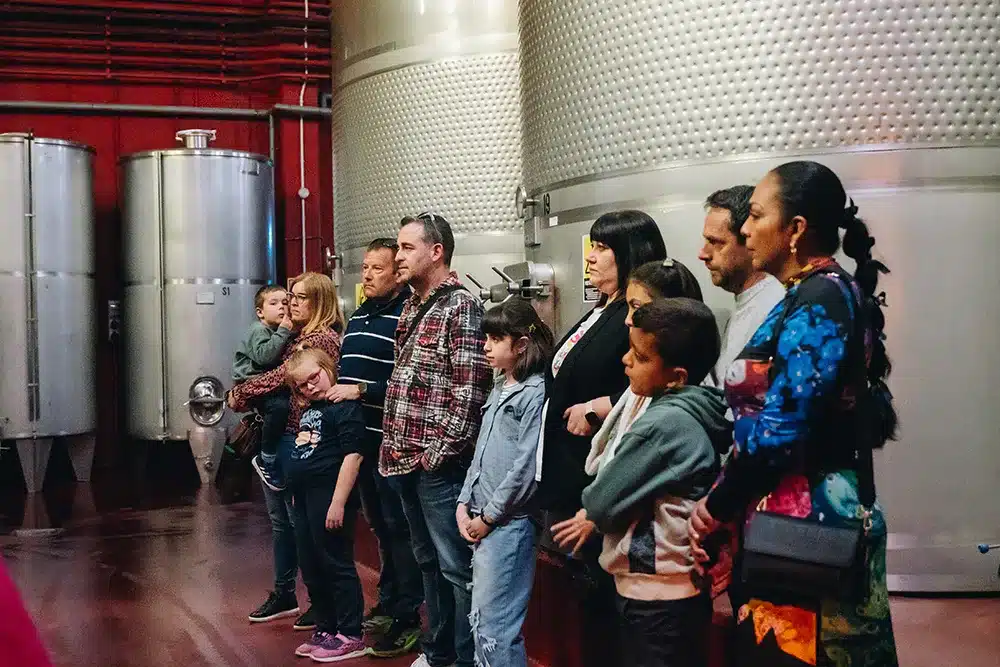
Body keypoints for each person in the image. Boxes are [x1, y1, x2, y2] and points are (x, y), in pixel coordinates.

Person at [688, 161, 899, 666]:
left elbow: (782, 428)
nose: (745, 229)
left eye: (756, 215)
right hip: (787, 515)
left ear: (795, 230)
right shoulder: (808, 294)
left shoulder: (820, 298)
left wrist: (716, 505)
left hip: (805, 524)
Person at [537, 209, 667, 667]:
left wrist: (603, 406)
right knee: (585, 597)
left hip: (602, 479)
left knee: (605, 599)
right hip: (572, 473)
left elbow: (659, 378)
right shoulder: (602, 310)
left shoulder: (638, 317)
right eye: (591, 246)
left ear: (632, 254)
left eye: (602, 248)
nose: (589, 258)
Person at [573, 298, 730, 667]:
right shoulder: (693, 411)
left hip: (655, 593)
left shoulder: (664, 424)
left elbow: (600, 500)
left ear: (676, 376)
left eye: (641, 357)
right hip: (674, 590)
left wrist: (593, 509)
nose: (626, 360)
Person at [380, 212, 493, 667]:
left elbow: (470, 390)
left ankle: (464, 658)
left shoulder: (461, 307)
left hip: (437, 466)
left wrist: (437, 455)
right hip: (404, 459)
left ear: (436, 251)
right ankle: (438, 651)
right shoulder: (412, 305)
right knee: (428, 562)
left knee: (455, 567)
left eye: (407, 248)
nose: (398, 257)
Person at [228, 272, 345, 630]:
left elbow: (282, 376)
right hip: (285, 435)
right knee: (282, 523)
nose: (292, 303)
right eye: (290, 297)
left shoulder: (320, 340)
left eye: (300, 297)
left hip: (305, 439)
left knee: (301, 525)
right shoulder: (297, 336)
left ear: (320, 301)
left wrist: (241, 391)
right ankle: (286, 593)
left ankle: (322, 602)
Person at [327, 238, 423, 658]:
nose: (366, 275)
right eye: (364, 268)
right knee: (381, 528)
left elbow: (408, 385)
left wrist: (361, 390)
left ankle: (407, 615)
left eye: (376, 269)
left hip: (390, 442)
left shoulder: (406, 316)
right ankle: (389, 599)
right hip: (360, 442)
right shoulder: (362, 313)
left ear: (398, 274)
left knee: (400, 529)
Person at [456, 298, 553, 667]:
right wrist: (464, 503)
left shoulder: (534, 392)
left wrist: (489, 517)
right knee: (482, 621)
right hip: (483, 516)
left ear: (522, 344)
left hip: (509, 523)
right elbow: (481, 452)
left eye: (496, 339)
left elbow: (525, 468)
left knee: (496, 627)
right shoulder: (500, 386)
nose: (486, 346)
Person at [283, 348, 368, 663]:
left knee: (335, 562)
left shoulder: (344, 407)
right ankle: (326, 626)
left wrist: (338, 503)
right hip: (304, 497)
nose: (310, 387)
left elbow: (353, 456)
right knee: (311, 563)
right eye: (302, 386)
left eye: (314, 377)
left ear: (327, 367)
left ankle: (350, 632)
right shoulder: (310, 410)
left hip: (329, 495)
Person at [698, 186, 785, 388]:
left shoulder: (772, 308)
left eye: (716, 242)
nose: (703, 254)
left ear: (749, 240)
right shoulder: (748, 300)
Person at [231, 284, 295, 491]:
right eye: (273, 303)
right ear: (260, 312)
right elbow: (265, 357)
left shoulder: (274, 331)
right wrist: (284, 331)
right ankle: (267, 456)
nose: (282, 307)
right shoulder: (259, 330)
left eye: (285, 302)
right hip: (251, 381)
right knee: (278, 406)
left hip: (262, 382)